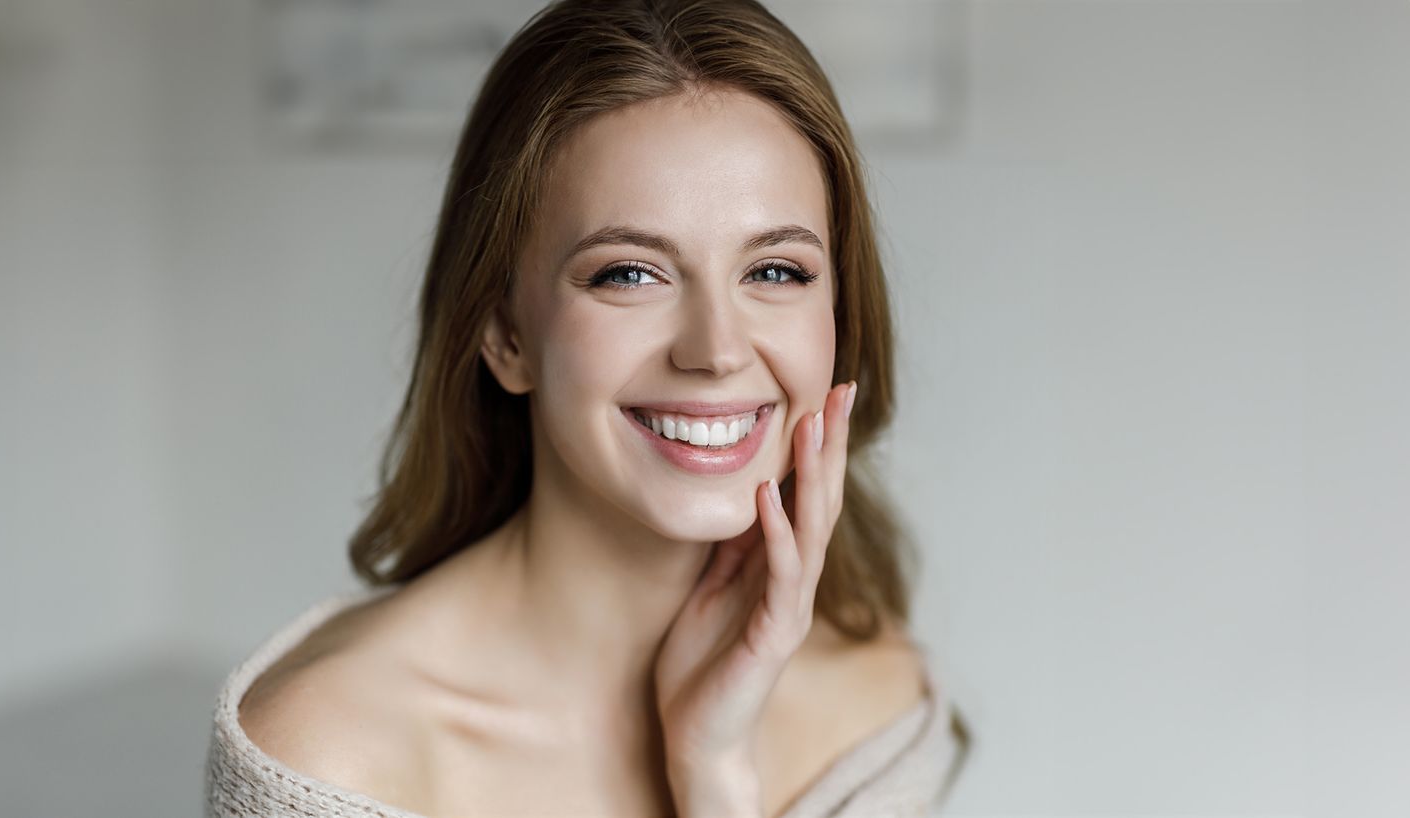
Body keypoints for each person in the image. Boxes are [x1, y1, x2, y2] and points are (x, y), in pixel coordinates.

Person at [206, 1, 972, 815]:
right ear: (504, 333)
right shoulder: (330, 757)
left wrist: (714, 775)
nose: (715, 349)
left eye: (776, 272)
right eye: (629, 274)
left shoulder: (876, 708)